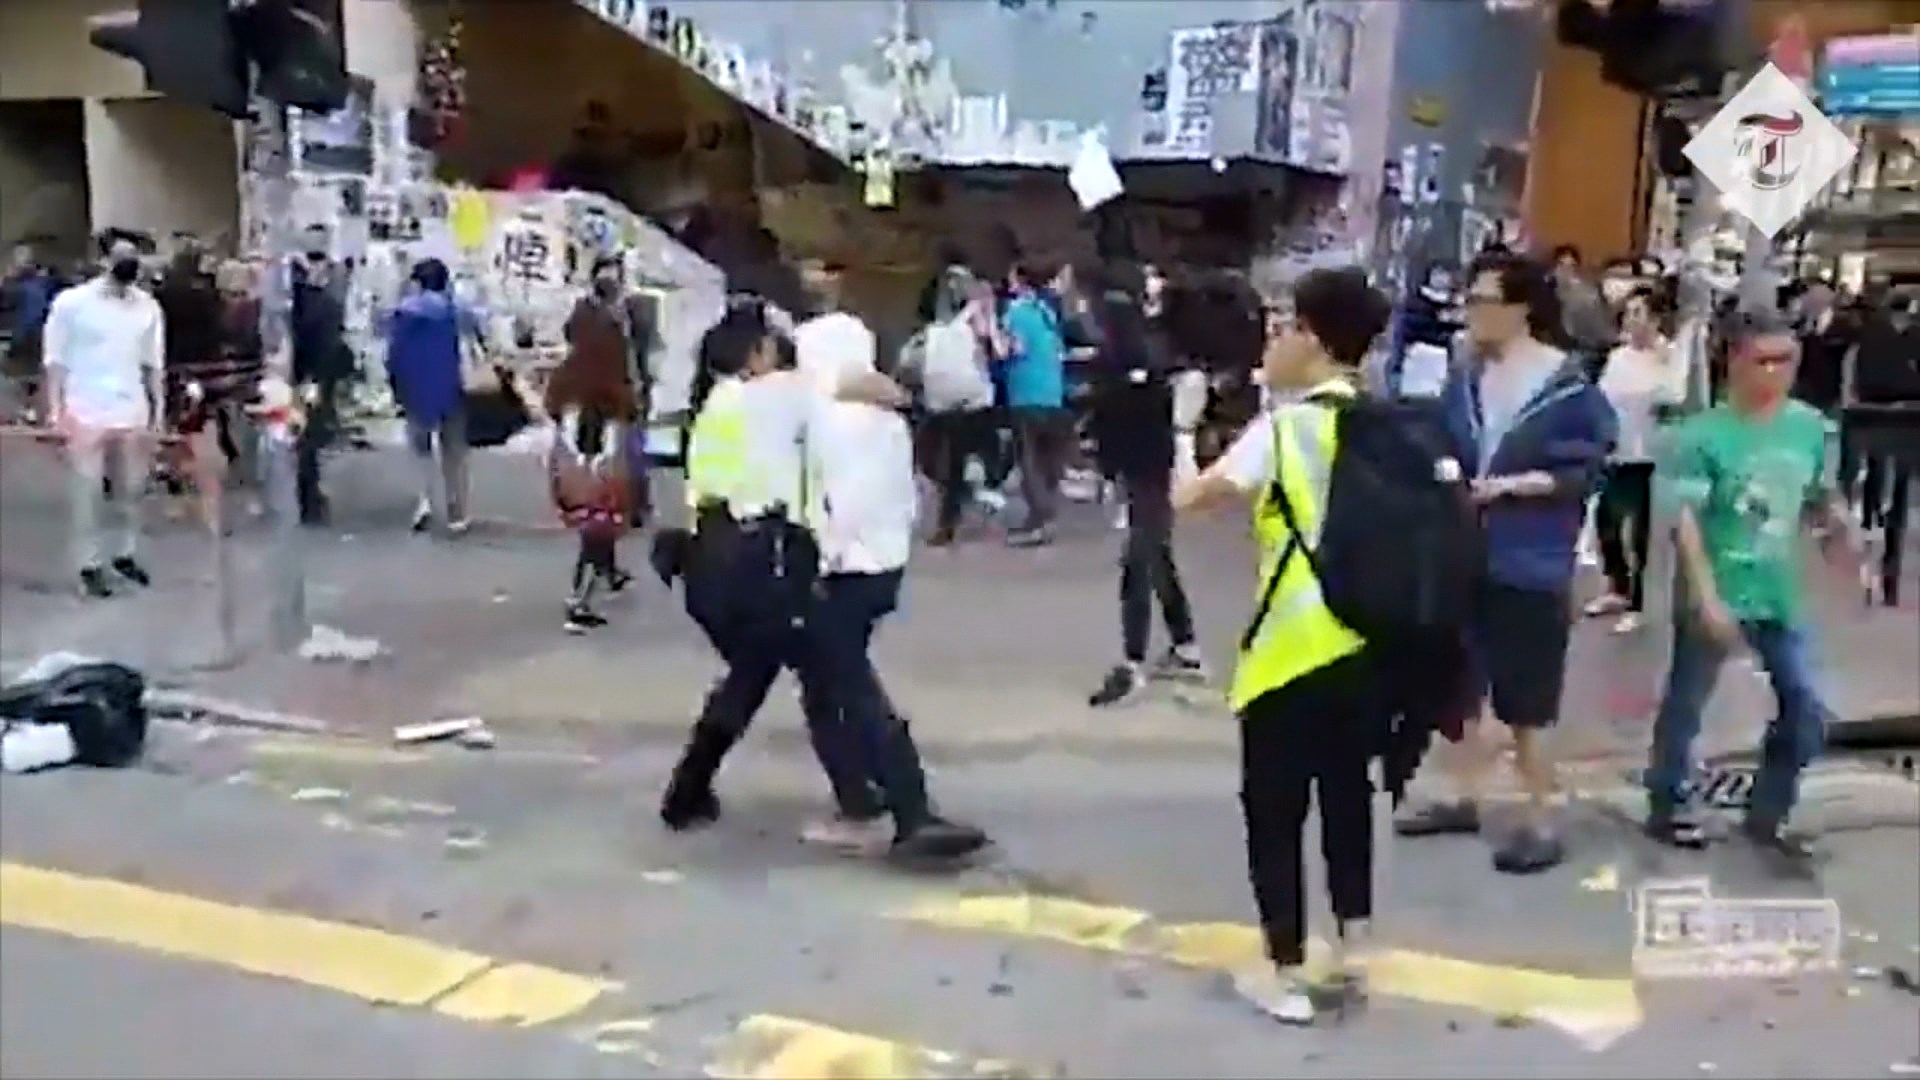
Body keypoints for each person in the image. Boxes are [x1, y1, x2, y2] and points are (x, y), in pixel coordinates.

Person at [1172, 266, 1393, 1025]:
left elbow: (1191, 500)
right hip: (1371, 645)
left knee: (1273, 811)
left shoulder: (1287, 429)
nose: (1271, 341)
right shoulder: (1387, 421)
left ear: (1312, 338)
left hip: (1291, 648)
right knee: (1346, 796)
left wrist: (1180, 427)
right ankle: (1356, 948)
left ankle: (1286, 970)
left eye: (1282, 326)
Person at [1394, 251, 1616, 874]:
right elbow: (1438, 441)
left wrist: (1513, 486)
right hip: (1463, 551)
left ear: (1520, 309)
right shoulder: (1465, 378)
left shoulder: (1567, 386)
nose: (1472, 314)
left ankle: (1542, 815)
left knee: (1528, 697)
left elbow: (1585, 469)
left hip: (1531, 558)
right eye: (1469, 302)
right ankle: (1463, 796)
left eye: (1484, 302)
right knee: (1455, 684)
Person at [1646, 310, 1870, 856]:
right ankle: (1668, 802)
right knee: (1688, 700)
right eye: (1761, 360)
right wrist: (1706, 597)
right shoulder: (1698, 436)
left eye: (1785, 360)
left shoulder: (1812, 429)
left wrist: (1842, 535)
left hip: (1778, 590)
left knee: (1805, 703)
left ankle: (1770, 810)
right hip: (1719, 582)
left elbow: (1821, 496)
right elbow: (1686, 523)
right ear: (1734, 362)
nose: (1775, 372)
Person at [1085, 261, 1205, 707]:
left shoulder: (1131, 356)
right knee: (1155, 557)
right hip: (1155, 468)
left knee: (1140, 560)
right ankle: (1186, 646)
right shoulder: (1151, 352)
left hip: (1152, 471)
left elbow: (1122, 419)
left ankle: (1132, 663)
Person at [42, 237, 165, 599]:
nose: (128, 263)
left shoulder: (147, 307)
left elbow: (154, 363)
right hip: (85, 407)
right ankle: (89, 562)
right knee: (87, 490)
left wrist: (158, 410)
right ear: (103, 260)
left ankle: (125, 552)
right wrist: (55, 407)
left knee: (133, 488)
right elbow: (56, 360)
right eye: (121, 256)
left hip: (131, 406)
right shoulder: (72, 304)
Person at [1586, 288, 1687, 633]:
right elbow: (1601, 398)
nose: (1631, 320)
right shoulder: (1618, 357)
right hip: (1615, 450)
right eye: (1628, 313)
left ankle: (1638, 603)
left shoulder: (1670, 358)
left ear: (1656, 319)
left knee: (1640, 531)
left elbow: (1677, 398)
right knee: (1606, 522)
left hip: (1649, 456)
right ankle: (1617, 586)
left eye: (1638, 312)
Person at [546, 305, 639, 633]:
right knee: (596, 536)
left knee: (593, 535)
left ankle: (589, 590)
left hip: (569, 470)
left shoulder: (566, 378)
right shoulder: (613, 388)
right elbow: (616, 434)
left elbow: (556, 414)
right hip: (600, 474)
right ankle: (578, 600)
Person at [903, 266, 997, 545]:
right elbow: (993, 348)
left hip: (941, 402)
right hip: (973, 401)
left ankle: (950, 515)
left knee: (945, 460)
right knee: (964, 456)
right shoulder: (976, 317)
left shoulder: (931, 331)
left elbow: (909, 364)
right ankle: (974, 487)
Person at [386, 258, 474, 535]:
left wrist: (396, 386)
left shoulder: (405, 314)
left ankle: (424, 501)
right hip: (451, 386)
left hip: (416, 388)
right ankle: (456, 511)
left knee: (420, 448)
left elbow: (394, 353)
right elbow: (475, 340)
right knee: (454, 452)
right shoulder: (456, 311)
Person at [1002, 259, 1072, 546]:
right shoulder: (1046, 312)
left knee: (1028, 460)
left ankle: (1041, 521)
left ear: (1020, 281)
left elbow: (1014, 348)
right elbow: (1057, 351)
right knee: (1047, 461)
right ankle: (1039, 517)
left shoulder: (1015, 312)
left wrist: (994, 339)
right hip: (1053, 395)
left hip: (1026, 394)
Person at [291, 246, 354, 525]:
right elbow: (331, 345)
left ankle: (304, 495)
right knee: (308, 439)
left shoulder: (287, 305)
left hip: (293, 377)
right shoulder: (326, 304)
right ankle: (309, 497)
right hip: (314, 379)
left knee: (298, 438)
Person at [1551, 244, 1615, 366]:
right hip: (1559, 349)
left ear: (1576, 269)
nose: (1566, 271)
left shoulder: (1587, 296)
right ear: (1554, 268)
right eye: (1561, 265)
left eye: (1571, 266)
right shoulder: (1548, 293)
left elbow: (1600, 332)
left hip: (1586, 351)